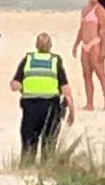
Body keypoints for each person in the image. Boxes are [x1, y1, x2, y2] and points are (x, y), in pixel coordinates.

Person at [10, 32, 74, 166]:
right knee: (49, 142)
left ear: (36, 46)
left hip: (30, 107)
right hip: (51, 107)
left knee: (28, 142)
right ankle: (46, 168)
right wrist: (72, 110)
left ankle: (26, 168)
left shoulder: (27, 60)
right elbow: (65, 88)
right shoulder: (55, 61)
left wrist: (24, 87)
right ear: (50, 46)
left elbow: (14, 85)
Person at [72, 0, 105, 111]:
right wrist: (76, 44)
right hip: (85, 45)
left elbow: (103, 31)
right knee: (86, 74)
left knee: (100, 74)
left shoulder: (100, 10)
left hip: (95, 44)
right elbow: (81, 29)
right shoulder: (84, 9)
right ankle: (90, 103)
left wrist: (103, 49)